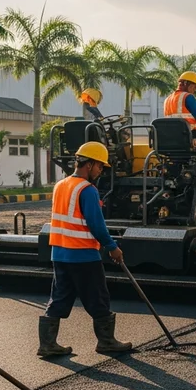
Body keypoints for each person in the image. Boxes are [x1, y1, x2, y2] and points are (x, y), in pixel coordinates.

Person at [38, 141, 133, 357]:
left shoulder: (60, 185)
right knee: (98, 297)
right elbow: (96, 224)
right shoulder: (87, 190)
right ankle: (106, 341)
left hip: (60, 254)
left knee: (59, 297)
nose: (100, 171)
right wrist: (112, 246)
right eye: (99, 166)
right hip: (83, 255)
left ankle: (47, 344)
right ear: (89, 164)